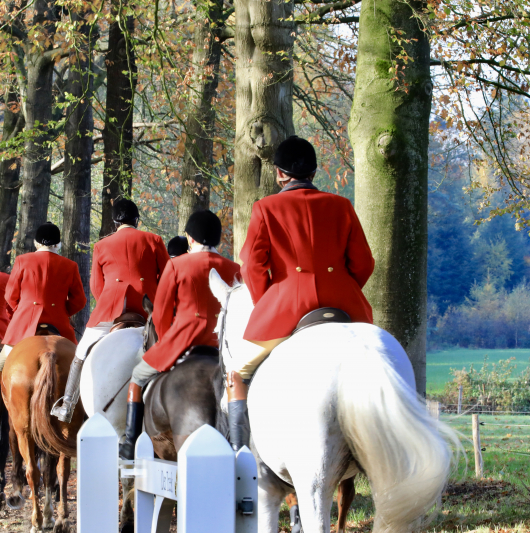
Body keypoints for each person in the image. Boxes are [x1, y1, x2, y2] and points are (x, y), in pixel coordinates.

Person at [228, 135, 375, 451]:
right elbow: (364, 262)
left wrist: (269, 299)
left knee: (240, 373)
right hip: (344, 306)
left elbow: (252, 266)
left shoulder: (265, 207)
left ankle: (239, 452)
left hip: (288, 307)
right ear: (314, 171)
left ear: (280, 174)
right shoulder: (341, 205)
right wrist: (343, 289)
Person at [119, 210, 240, 459]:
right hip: (222, 348)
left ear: (190, 238)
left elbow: (161, 313)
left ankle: (129, 443)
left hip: (182, 342)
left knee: (138, 376)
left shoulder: (176, 264)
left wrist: (165, 342)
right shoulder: (234, 268)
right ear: (218, 239)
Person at [51, 199, 169, 423]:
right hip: (148, 308)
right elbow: (166, 278)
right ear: (137, 220)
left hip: (111, 308)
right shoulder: (154, 240)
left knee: (81, 353)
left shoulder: (101, 246)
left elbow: (96, 287)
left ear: (115, 222)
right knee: (175, 345)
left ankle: (67, 404)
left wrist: (107, 300)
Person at [0, 222, 87, 431]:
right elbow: (80, 300)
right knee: (79, 364)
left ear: (36, 242)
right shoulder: (70, 265)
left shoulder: (22, 260)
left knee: (0, 363)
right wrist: (63, 311)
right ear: (58, 243)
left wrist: (22, 311)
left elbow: (10, 296)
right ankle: (79, 413)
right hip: (59, 324)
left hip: (25, 325)